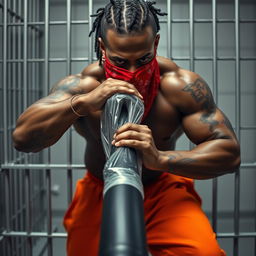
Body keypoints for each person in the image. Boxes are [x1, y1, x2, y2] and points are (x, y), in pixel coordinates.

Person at [12, 0, 240, 255]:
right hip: (100, 189)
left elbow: (229, 154)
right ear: (102, 47)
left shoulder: (179, 86)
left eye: (143, 59)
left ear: (155, 43)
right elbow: (23, 138)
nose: (133, 71)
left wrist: (161, 158)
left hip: (162, 189)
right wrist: (82, 104)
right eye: (120, 62)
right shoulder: (83, 86)